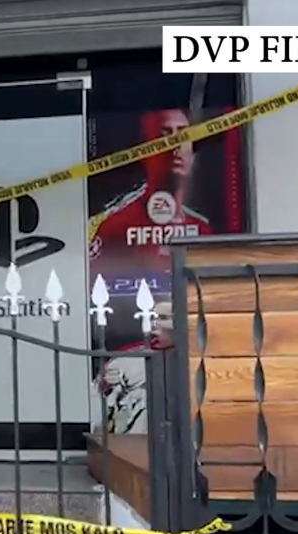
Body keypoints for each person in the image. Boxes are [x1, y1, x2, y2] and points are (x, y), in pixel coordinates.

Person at [88, 109, 213, 277]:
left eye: (184, 135)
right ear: (145, 150)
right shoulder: (114, 226)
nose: (175, 144)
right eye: (164, 135)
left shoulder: (202, 230)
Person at [93, 301, 173, 435]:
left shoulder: (198, 357)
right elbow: (95, 394)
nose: (154, 326)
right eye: (153, 318)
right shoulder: (129, 356)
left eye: (163, 319)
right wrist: (105, 384)